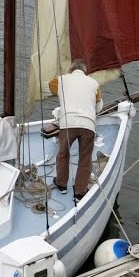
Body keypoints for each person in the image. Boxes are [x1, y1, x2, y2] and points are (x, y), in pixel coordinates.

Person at [48, 59, 102, 202]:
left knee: (63, 154)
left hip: (68, 123)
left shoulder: (61, 80)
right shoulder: (94, 83)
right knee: (85, 158)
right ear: (85, 71)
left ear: (71, 70)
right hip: (88, 125)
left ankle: (61, 184)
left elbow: (50, 87)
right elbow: (99, 107)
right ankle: (79, 193)